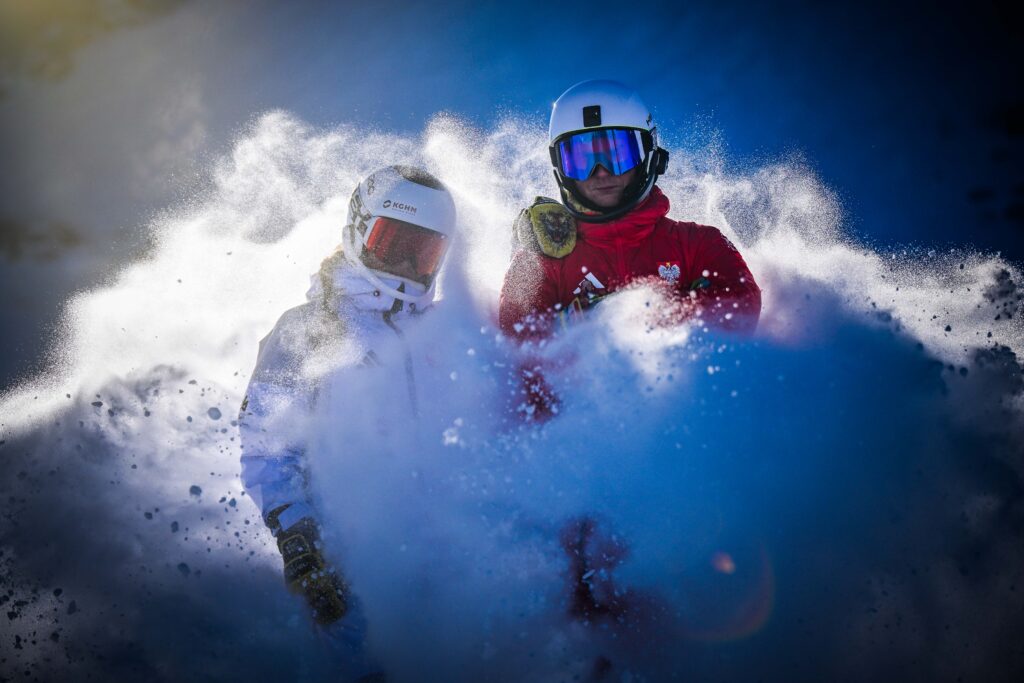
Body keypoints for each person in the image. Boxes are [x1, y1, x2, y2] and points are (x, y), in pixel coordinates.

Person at [238, 165, 456, 681]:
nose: (404, 262)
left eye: (421, 250)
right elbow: (267, 449)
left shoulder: (446, 330)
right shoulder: (306, 331)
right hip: (346, 567)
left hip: (445, 562)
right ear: (360, 229)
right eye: (392, 241)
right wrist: (301, 543)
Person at [500, 79, 762, 420]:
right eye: (581, 159)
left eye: (617, 154)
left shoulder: (697, 245)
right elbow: (514, 346)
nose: (601, 173)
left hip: (689, 423)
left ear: (648, 156)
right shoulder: (544, 259)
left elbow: (742, 304)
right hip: (584, 435)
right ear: (561, 169)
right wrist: (584, 333)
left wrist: (654, 314)